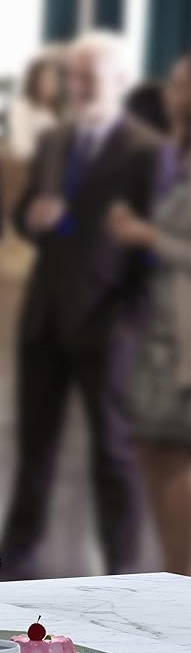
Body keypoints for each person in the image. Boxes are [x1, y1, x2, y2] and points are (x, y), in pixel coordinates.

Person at [0, 32, 172, 579]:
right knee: (34, 450)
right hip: (44, 319)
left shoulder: (148, 151)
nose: (78, 87)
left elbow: (157, 247)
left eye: (90, 77)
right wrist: (33, 219)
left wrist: (130, 323)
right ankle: (16, 559)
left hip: (109, 324)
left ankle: (125, 572)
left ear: (120, 80)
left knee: (113, 457)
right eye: (72, 77)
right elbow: (24, 214)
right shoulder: (56, 139)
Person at [107, 54, 191, 575]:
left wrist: (147, 236)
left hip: (183, 335)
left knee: (177, 453)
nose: (173, 93)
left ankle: (183, 582)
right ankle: (171, 575)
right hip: (153, 328)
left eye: (184, 86)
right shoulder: (170, 155)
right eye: (174, 84)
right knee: (150, 446)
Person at [8, 56, 62, 160]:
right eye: (47, 78)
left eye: (54, 79)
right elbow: (23, 149)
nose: (52, 83)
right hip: (34, 164)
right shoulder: (22, 107)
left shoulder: (57, 110)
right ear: (35, 80)